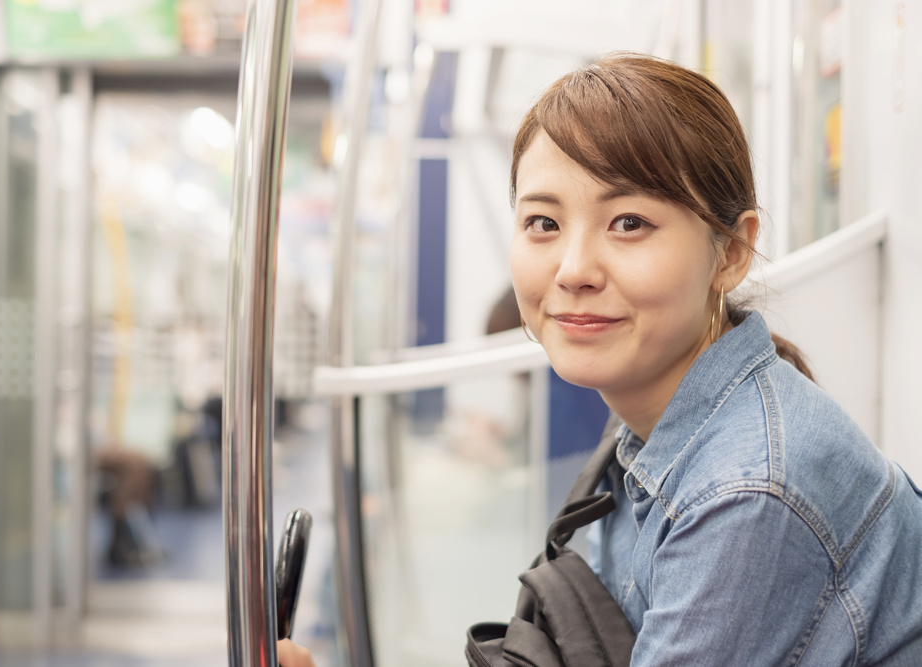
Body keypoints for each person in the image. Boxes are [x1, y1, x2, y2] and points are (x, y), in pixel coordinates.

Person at [280, 53, 922, 665]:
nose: (574, 269)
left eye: (629, 223)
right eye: (542, 223)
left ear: (730, 253)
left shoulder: (748, 492)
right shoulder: (653, 426)